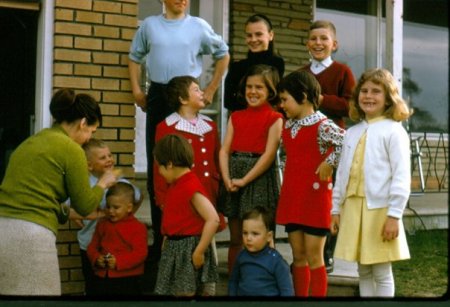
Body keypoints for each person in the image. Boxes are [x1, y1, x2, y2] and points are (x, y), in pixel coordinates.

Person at [128, 0, 229, 281]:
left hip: (187, 90)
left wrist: (209, 88)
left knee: (191, 165)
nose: (182, 0)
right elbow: (134, 58)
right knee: (161, 165)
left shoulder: (199, 26)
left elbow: (224, 54)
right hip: (160, 94)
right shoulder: (150, 26)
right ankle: (165, 242)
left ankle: (198, 230)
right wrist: (138, 90)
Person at [0, 88, 118, 295]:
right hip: (30, 237)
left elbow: (36, 196)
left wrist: (66, 213)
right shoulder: (71, 149)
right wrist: (103, 184)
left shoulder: (31, 142)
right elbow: (84, 205)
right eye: (92, 131)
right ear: (82, 123)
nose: (89, 139)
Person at [330, 68, 411, 297]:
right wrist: (335, 209)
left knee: (382, 270)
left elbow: (401, 176)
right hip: (353, 207)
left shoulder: (394, 132)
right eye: (364, 91)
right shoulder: (352, 132)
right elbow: (342, 174)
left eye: (376, 91)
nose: (368, 96)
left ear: (388, 99)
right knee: (363, 269)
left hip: (381, 209)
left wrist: (394, 215)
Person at [275, 71, 345, 297]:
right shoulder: (288, 126)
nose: (281, 105)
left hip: (315, 199)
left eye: (285, 99)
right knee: (298, 256)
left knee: (315, 257)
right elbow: (288, 156)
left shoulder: (324, 125)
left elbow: (347, 143)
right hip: (294, 197)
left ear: (303, 96)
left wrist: (330, 161)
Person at [300, 20, 356, 273]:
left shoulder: (342, 72)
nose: (318, 43)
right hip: (306, 143)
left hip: (333, 145)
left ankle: (326, 253)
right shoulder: (301, 74)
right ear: (307, 43)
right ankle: (305, 253)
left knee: (327, 197)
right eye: (313, 38)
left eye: (324, 39)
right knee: (306, 197)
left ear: (334, 44)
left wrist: (321, 99)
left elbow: (350, 106)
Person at [219, 64, 283, 275]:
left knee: (260, 235)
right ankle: (235, 280)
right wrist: (228, 178)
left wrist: (245, 180)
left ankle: (264, 280)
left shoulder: (275, 118)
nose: (252, 92)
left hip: (258, 180)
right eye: (249, 87)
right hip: (234, 177)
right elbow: (224, 150)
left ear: (270, 91)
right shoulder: (236, 116)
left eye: (259, 88)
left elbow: (269, 155)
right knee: (236, 238)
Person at [69, 138, 143, 296]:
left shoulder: (119, 183)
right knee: (93, 285)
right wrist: (76, 214)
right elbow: (67, 205)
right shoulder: (82, 184)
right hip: (90, 243)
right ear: (89, 165)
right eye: (103, 158)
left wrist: (126, 220)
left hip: (117, 246)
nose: (109, 159)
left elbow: (138, 195)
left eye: (110, 155)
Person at [153, 134, 220, 296]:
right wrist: (166, 238)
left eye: (159, 167)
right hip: (174, 248)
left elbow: (213, 219)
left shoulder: (191, 185)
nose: (159, 173)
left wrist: (199, 251)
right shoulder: (175, 185)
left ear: (169, 164)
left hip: (188, 249)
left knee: (185, 292)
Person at [87, 182, 148, 296]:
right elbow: (92, 247)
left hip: (128, 279)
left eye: (116, 207)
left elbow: (140, 254)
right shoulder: (102, 224)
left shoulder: (138, 227)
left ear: (129, 207)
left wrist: (118, 261)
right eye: (108, 206)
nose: (110, 211)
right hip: (103, 277)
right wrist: (96, 258)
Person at [228, 206, 294, 297]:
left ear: (269, 236)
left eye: (255, 234)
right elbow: (233, 281)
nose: (248, 238)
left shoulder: (277, 262)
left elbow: (287, 291)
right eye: (245, 233)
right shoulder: (241, 256)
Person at [224, 13, 285, 112]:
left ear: (271, 35)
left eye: (258, 34)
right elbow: (228, 102)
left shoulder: (278, 64)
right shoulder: (237, 68)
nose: (253, 39)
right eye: (249, 35)